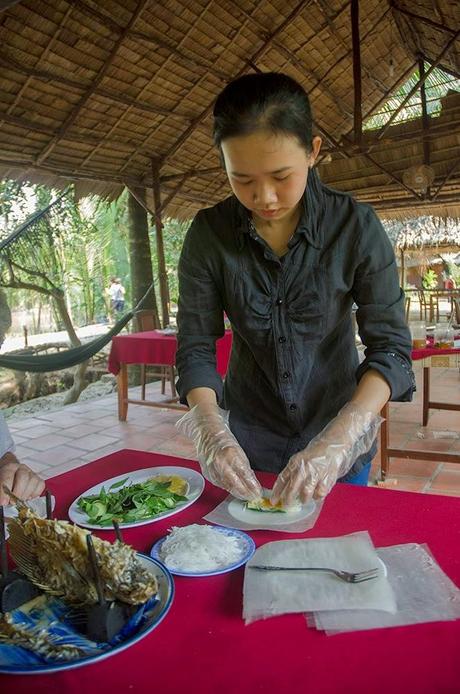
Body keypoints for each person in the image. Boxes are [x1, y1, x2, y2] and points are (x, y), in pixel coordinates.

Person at [175, 73, 415, 506]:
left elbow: (392, 350)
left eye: (280, 176)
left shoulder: (354, 227)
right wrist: (211, 430)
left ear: (313, 152)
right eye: (242, 179)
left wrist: (337, 443)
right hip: (248, 444)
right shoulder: (209, 235)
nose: (264, 197)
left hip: (340, 435)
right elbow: (195, 346)